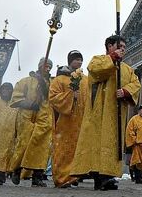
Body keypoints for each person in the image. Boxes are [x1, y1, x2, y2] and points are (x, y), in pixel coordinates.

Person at [71, 35, 141, 191]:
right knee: (98, 143)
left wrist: (125, 91)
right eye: (119, 46)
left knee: (112, 144)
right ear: (110, 46)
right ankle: (99, 177)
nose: (123, 49)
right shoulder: (99, 60)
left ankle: (107, 176)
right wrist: (113, 59)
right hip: (99, 112)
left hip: (116, 114)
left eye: (124, 46)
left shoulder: (127, 69)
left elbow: (136, 84)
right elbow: (95, 71)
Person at [9, 58, 54, 187]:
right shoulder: (26, 81)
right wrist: (28, 104)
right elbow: (16, 97)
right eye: (45, 66)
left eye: (49, 67)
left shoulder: (51, 82)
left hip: (44, 118)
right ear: (39, 66)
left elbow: (54, 97)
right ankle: (16, 169)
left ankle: (37, 176)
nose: (48, 69)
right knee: (24, 144)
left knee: (41, 147)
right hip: (27, 117)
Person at [49, 50, 89, 188]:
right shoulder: (59, 79)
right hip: (65, 122)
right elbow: (53, 97)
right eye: (76, 59)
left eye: (81, 59)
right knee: (63, 150)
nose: (79, 62)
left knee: (77, 150)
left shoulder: (85, 80)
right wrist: (71, 96)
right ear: (70, 61)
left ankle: (74, 176)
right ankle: (61, 177)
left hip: (81, 121)